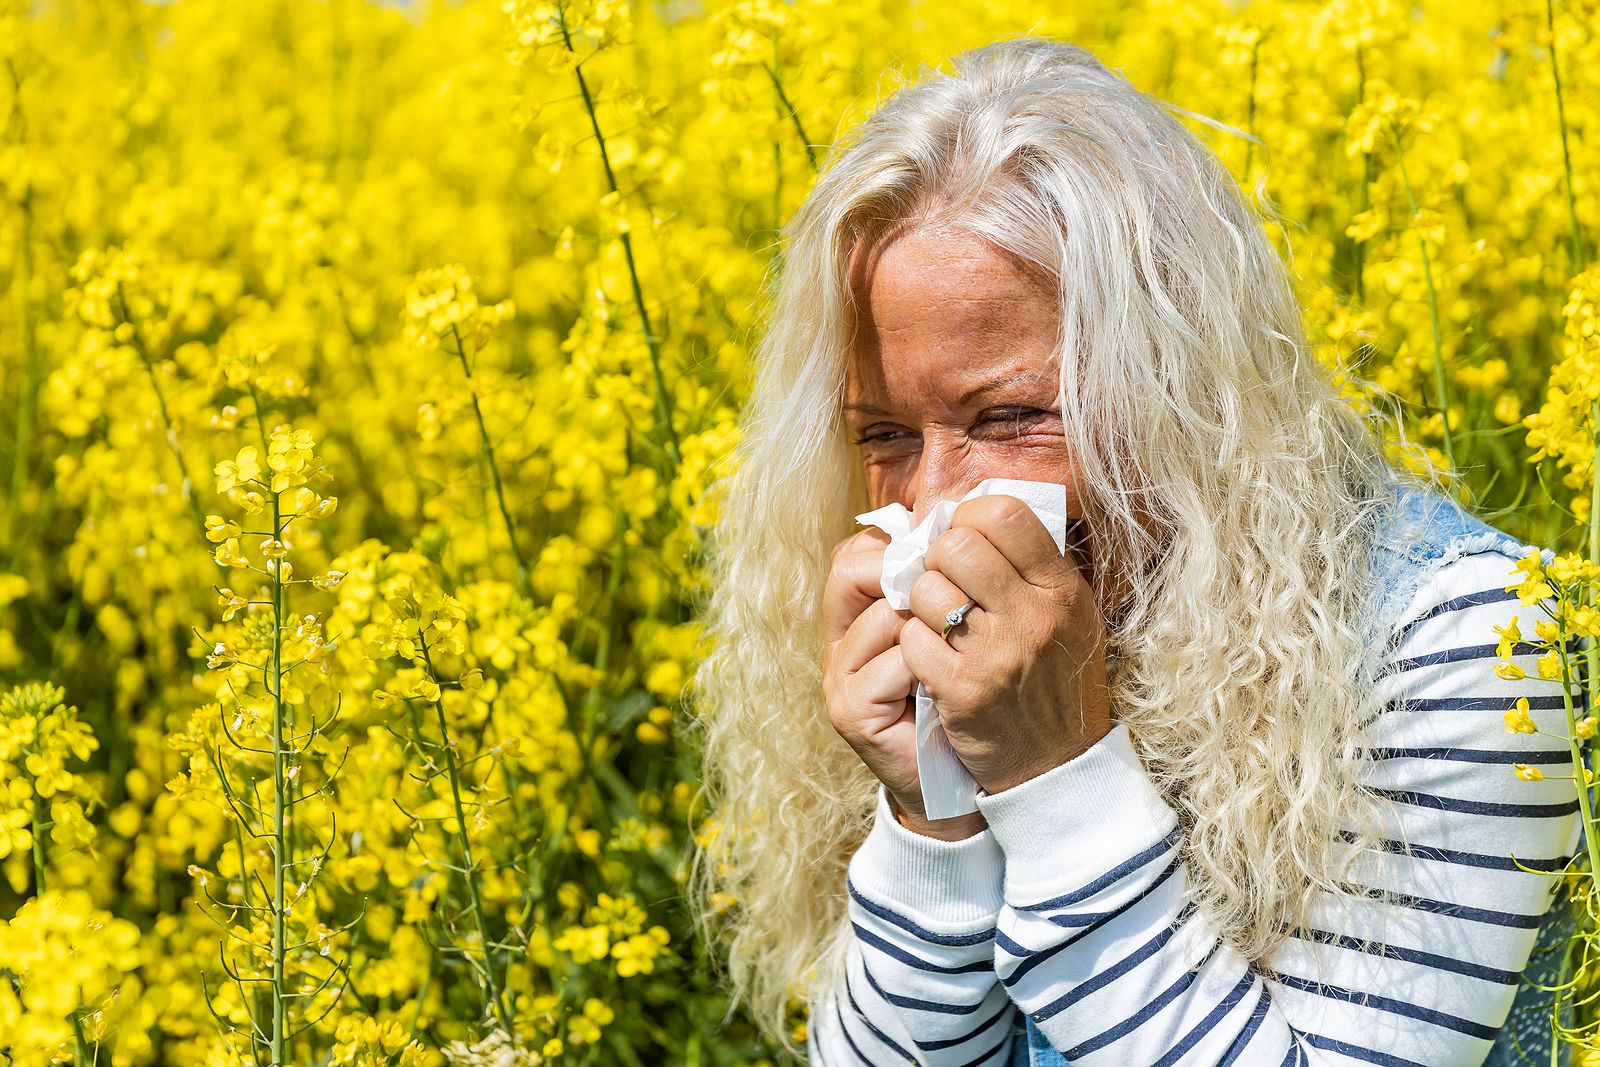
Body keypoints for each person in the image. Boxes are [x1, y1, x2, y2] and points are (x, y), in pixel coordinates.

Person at [685, 36, 1583, 1066]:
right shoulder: (998, 666)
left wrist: (1058, 777)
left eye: (1008, 415)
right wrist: (935, 809)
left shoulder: (1462, 640)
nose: (930, 502)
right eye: (883, 436)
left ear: (1183, 393)